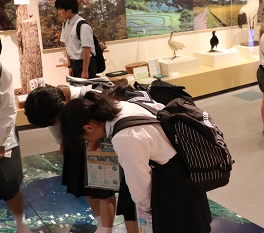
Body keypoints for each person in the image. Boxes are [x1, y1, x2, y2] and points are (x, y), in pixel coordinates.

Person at [59, 92, 212, 233]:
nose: (88, 142)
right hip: (185, 173)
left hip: (173, 188)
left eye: (85, 138)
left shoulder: (124, 137)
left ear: (88, 128)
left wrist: (147, 209)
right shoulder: (121, 106)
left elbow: (140, 181)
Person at [24, 85, 118, 233]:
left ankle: (107, 229)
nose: (55, 124)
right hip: (76, 144)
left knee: (103, 188)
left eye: (56, 121)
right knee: (86, 186)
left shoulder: (91, 99)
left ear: (64, 105)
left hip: (100, 143)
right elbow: (61, 142)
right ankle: (101, 225)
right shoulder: (50, 107)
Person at [0, 41, 31, 233]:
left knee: (8, 184)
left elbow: (7, 111)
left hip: (2, 135)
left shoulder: (3, 73)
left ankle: (21, 223)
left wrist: (1, 143)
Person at [56, 0, 97, 79]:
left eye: (60, 9)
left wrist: (85, 71)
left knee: (86, 91)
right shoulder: (65, 24)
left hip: (86, 64)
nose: (59, 12)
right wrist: (70, 66)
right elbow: (67, 46)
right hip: (75, 64)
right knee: (76, 90)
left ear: (69, 9)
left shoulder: (83, 25)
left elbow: (87, 49)